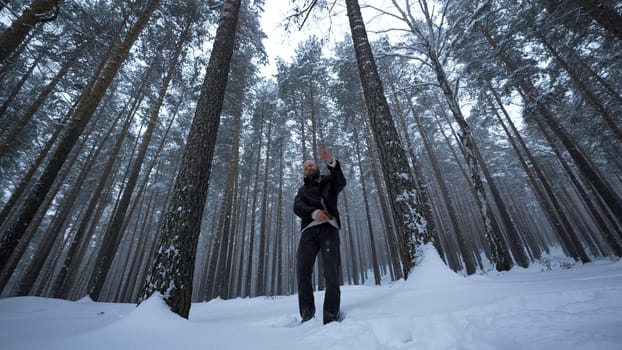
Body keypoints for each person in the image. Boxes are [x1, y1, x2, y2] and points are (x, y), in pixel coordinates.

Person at [293, 148, 346, 324]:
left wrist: (332, 162)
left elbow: (341, 182)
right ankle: (307, 315)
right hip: (309, 231)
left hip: (329, 228)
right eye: (306, 167)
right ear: (304, 172)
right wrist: (314, 212)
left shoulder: (328, 182)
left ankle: (331, 316)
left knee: (331, 272)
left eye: (311, 165)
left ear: (317, 167)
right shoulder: (301, 191)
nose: (309, 168)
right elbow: (297, 207)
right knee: (303, 271)